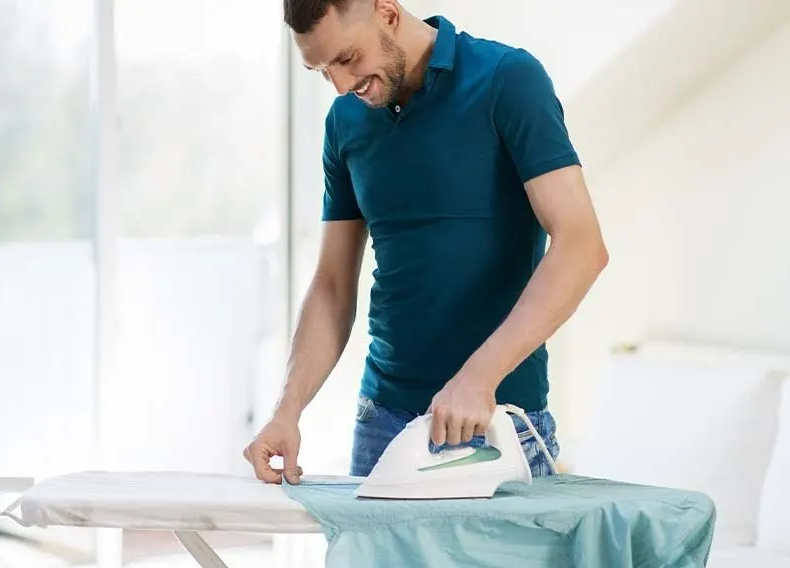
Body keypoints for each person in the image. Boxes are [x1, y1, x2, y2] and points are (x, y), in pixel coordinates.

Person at [244, 0, 608, 484]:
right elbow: (332, 286)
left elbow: (582, 246)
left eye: (347, 59)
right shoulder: (345, 123)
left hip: (497, 421)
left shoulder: (508, 79)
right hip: (383, 425)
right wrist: (287, 411)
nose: (340, 85)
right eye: (321, 70)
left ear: (388, 14)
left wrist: (478, 378)